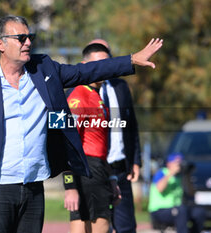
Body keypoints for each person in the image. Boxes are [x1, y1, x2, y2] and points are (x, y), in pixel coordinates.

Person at [0, 15, 163, 233]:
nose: (28, 43)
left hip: (34, 186)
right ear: (0, 44)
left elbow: (87, 70)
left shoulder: (44, 68)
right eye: (21, 38)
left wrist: (131, 59)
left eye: (30, 37)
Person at [63, 43, 121, 233]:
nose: (102, 70)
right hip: (86, 172)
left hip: (99, 170)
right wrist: (70, 185)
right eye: (97, 65)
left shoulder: (97, 96)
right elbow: (67, 141)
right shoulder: (79, 95)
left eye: (106, 64)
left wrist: (111, 176)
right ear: (84, 65)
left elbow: (102, 144)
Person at [88, 39, 141, 233]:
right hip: (94, 171)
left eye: (107, 55)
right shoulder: (78, 93)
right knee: (98, 226)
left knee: (126, 226)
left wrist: (135, 160)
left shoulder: (120, 87)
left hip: (120, 169)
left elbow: (131, 124)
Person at [148, 153, 205, 233]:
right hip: (160, 210)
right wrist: (171, 173)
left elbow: (192, 193)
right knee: (181, 211)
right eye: (176, 163)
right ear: (169, 164)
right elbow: (160, 188)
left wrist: (187, 175)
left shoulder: (181, 176)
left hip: (178, 209)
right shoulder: (162, 173)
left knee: (199, 212)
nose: (179, 165)